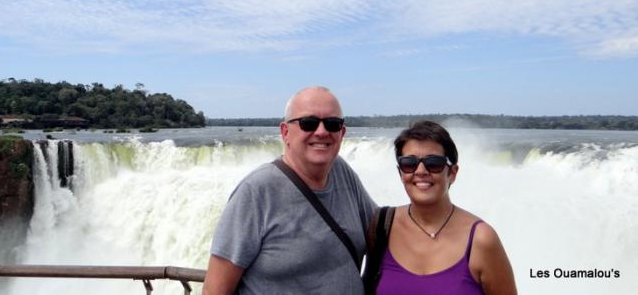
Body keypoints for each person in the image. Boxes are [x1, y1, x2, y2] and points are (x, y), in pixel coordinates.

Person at [203, 86, 377, 295]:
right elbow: (215, 290)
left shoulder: (342, 172)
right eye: (308, 123)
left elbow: (380, 232)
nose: (321, 132)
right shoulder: (256, 192)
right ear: (285, 132)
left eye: (332, 124)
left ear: (342, 132)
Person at [372, 121, 516, 295]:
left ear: (452, 173)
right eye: (409, 163)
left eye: (433, 163)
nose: (421, 171)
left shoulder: (481, 240)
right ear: (400, 172)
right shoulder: (381, 226)